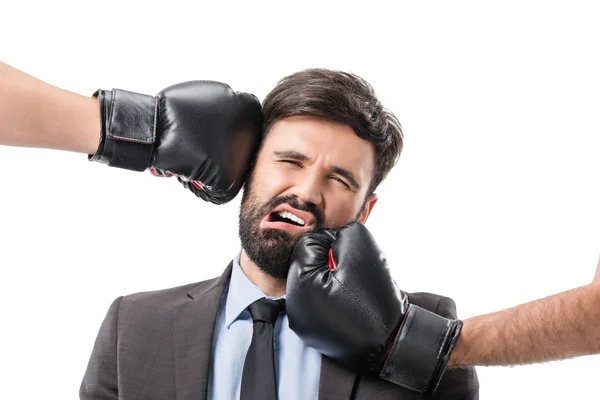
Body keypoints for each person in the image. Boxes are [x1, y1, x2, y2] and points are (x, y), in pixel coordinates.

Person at [0, 61, 479, 399]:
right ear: (246, 167)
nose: (308, 191)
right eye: (290, 161)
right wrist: (134, 128)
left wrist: (406, 343)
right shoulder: (134, 327)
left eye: (339, 179)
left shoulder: (417, 329)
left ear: (364, 211)